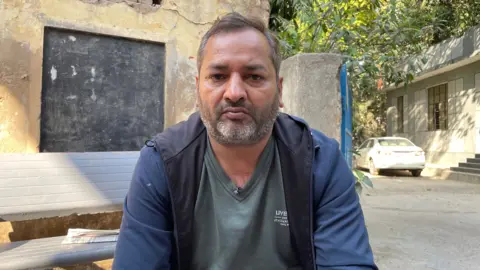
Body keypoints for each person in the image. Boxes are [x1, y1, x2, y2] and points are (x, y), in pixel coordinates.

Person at [113, 12, 377, 270]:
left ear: (280, 90)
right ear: (197, 89)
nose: (235, 93)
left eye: (254, 76)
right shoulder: (163, 162)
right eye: (218, 76)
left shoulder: (320, 161)